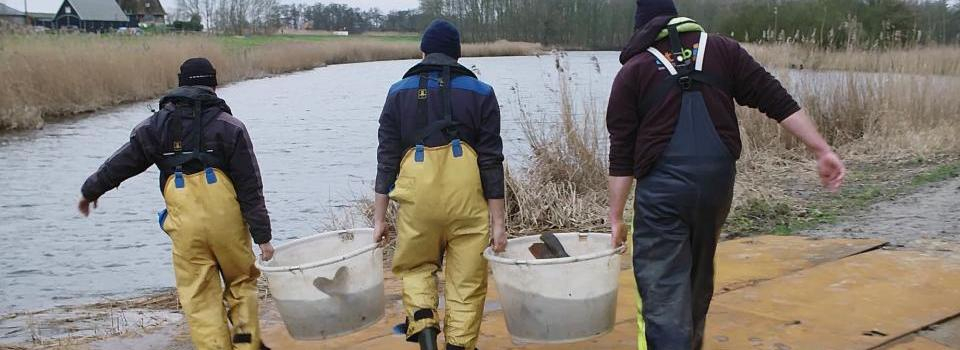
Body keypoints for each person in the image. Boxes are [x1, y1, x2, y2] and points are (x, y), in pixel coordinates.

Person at [606, 1, 846, 349]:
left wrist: (615, 215)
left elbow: (622, 154)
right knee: (697, 282)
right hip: (716, 190)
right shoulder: (722, 51)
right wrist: (822, 149)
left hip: (663, 198)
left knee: (662, 293)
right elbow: (775, 98)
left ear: (641, 30)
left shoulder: (635, 70)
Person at [77, 58, 274, 350]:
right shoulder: (231, 127)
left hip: (186, 228)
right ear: (214, 85)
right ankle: (247, 345)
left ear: (180, 84)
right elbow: (250, 188)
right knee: (241, 283)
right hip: (227, 224)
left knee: (199, 296)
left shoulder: (155, 126)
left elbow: (123, 162)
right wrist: (263, 238)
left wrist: (91, 190)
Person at [372, 19, 507, 350]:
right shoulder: (482, 93)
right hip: (467, 203)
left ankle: (428, 342)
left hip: (418, 202)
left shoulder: (397, 93)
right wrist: (499, 222)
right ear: (458, 55)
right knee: (467, 283)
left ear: (423, 52)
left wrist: (378, 219)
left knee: (416, 268)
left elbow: (386, 160)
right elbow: (491, 161)